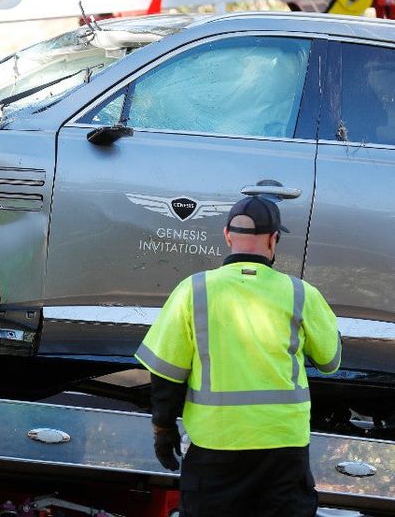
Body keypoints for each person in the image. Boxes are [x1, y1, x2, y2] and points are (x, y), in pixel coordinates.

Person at [134, 196, 342, 516]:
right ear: (274, 239)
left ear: (227, 236)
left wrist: (163, 428)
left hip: (215, 447)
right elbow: (330, 362)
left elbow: (166, 373)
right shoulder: (302, 294)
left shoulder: (194, 290)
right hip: (283, 448)